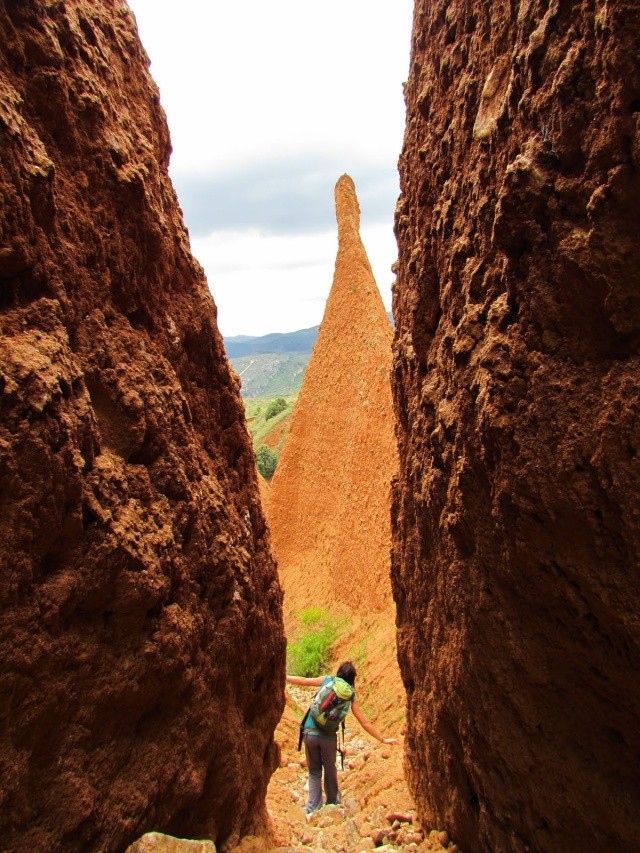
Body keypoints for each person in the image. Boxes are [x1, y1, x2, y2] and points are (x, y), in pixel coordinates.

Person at [286, 660, 398, 814]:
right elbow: (364, 722)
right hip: (329, 737)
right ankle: (332, 803)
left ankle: (312, 809)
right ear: (353, 678)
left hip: (310, 731)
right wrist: (383, 739)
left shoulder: (328, 681)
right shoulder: (350, 694)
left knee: (314, 771)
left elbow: (304, 681)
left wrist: (283, 677)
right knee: (330, 769)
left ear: (339, 672)